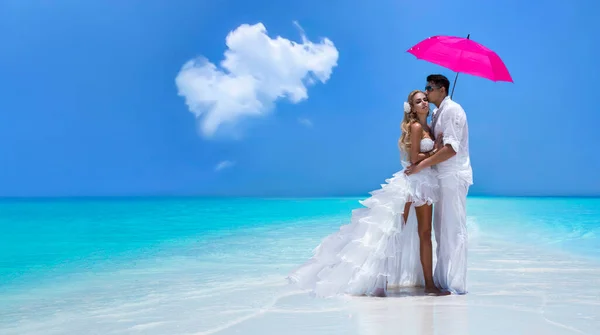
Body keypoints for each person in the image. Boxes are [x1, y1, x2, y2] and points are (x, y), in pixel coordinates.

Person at [286, 90, 448, 297]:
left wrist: (437, 144)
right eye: (419, 101)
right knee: (394, 232)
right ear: (412, 109)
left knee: (425, 234)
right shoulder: (416, 127)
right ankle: (380, 282)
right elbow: (415, 158)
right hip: (411, 184)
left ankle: (429, 284)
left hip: (426, 183)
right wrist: (437, 150)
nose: (424, 103)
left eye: (425, 99)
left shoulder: (429, 127)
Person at [404, 74, 473, 295]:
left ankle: (456, 284)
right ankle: (442, 280)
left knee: (453, 229)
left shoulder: (452, 110)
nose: (426, 93)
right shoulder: (436, 114)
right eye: (425, 90)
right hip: (437, 180)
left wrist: (421, 166)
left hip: (452, 176)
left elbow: (451, 149)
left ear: (442, 89)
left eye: (430, 89)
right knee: (440, 230)